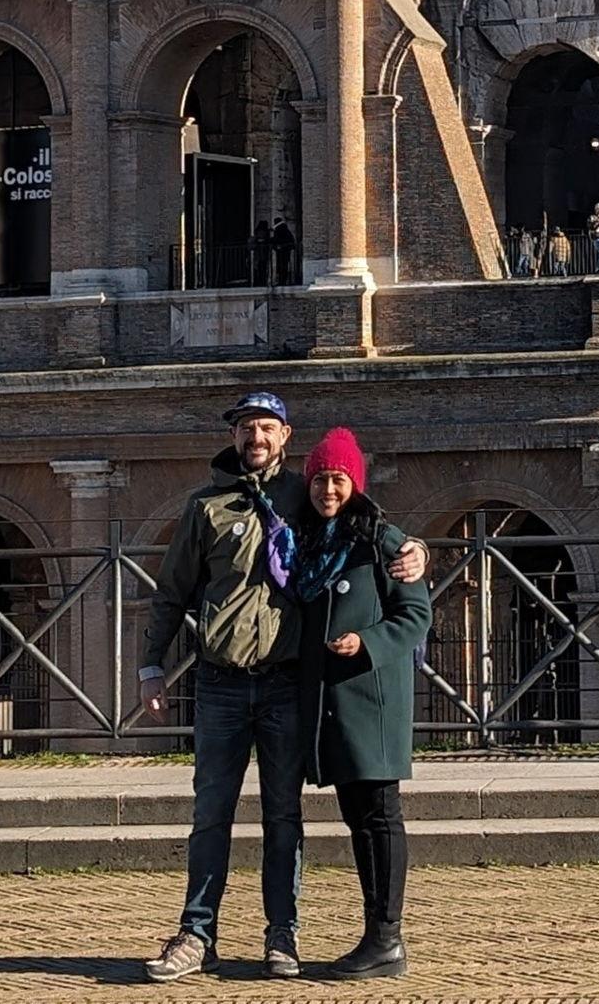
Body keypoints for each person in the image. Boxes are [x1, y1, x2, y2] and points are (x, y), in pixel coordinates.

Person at [139, 390, 427, 984]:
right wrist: (150, 666)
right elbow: (172, 591)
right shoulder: (206, 507)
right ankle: (197, 935)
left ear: (285, 437)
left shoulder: (307, 494)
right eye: (247, 428)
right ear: (234, 436)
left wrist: (415, 550)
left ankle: (282, 935)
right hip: (220, 683)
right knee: (210, 814)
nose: (256, 438)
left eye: (267, 427)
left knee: (283, 816)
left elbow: (365, 520)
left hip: (285, 685)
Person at [292, 427, 431, 978]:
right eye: (319, 480)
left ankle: (387, 939)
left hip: (370, 700)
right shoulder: (306, 540)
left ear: (355, 484)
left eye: (338, 479)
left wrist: (367, 642)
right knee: (359, 818)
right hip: (330, 704)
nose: (328, 490)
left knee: (379, 816)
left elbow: (415, 614)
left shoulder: (382, 540)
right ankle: (377, 936)